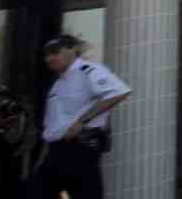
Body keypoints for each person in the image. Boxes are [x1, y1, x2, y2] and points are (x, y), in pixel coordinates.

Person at [26, 35, 129, 199]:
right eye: (46, 54)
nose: (49, 58)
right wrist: (41, 158)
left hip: (79, 149)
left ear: (72, 49)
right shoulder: (57, 85)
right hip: (55, 153)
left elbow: (119, 92)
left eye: (54, 52)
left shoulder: (87, 70)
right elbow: (51, 128)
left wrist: (82, 122)